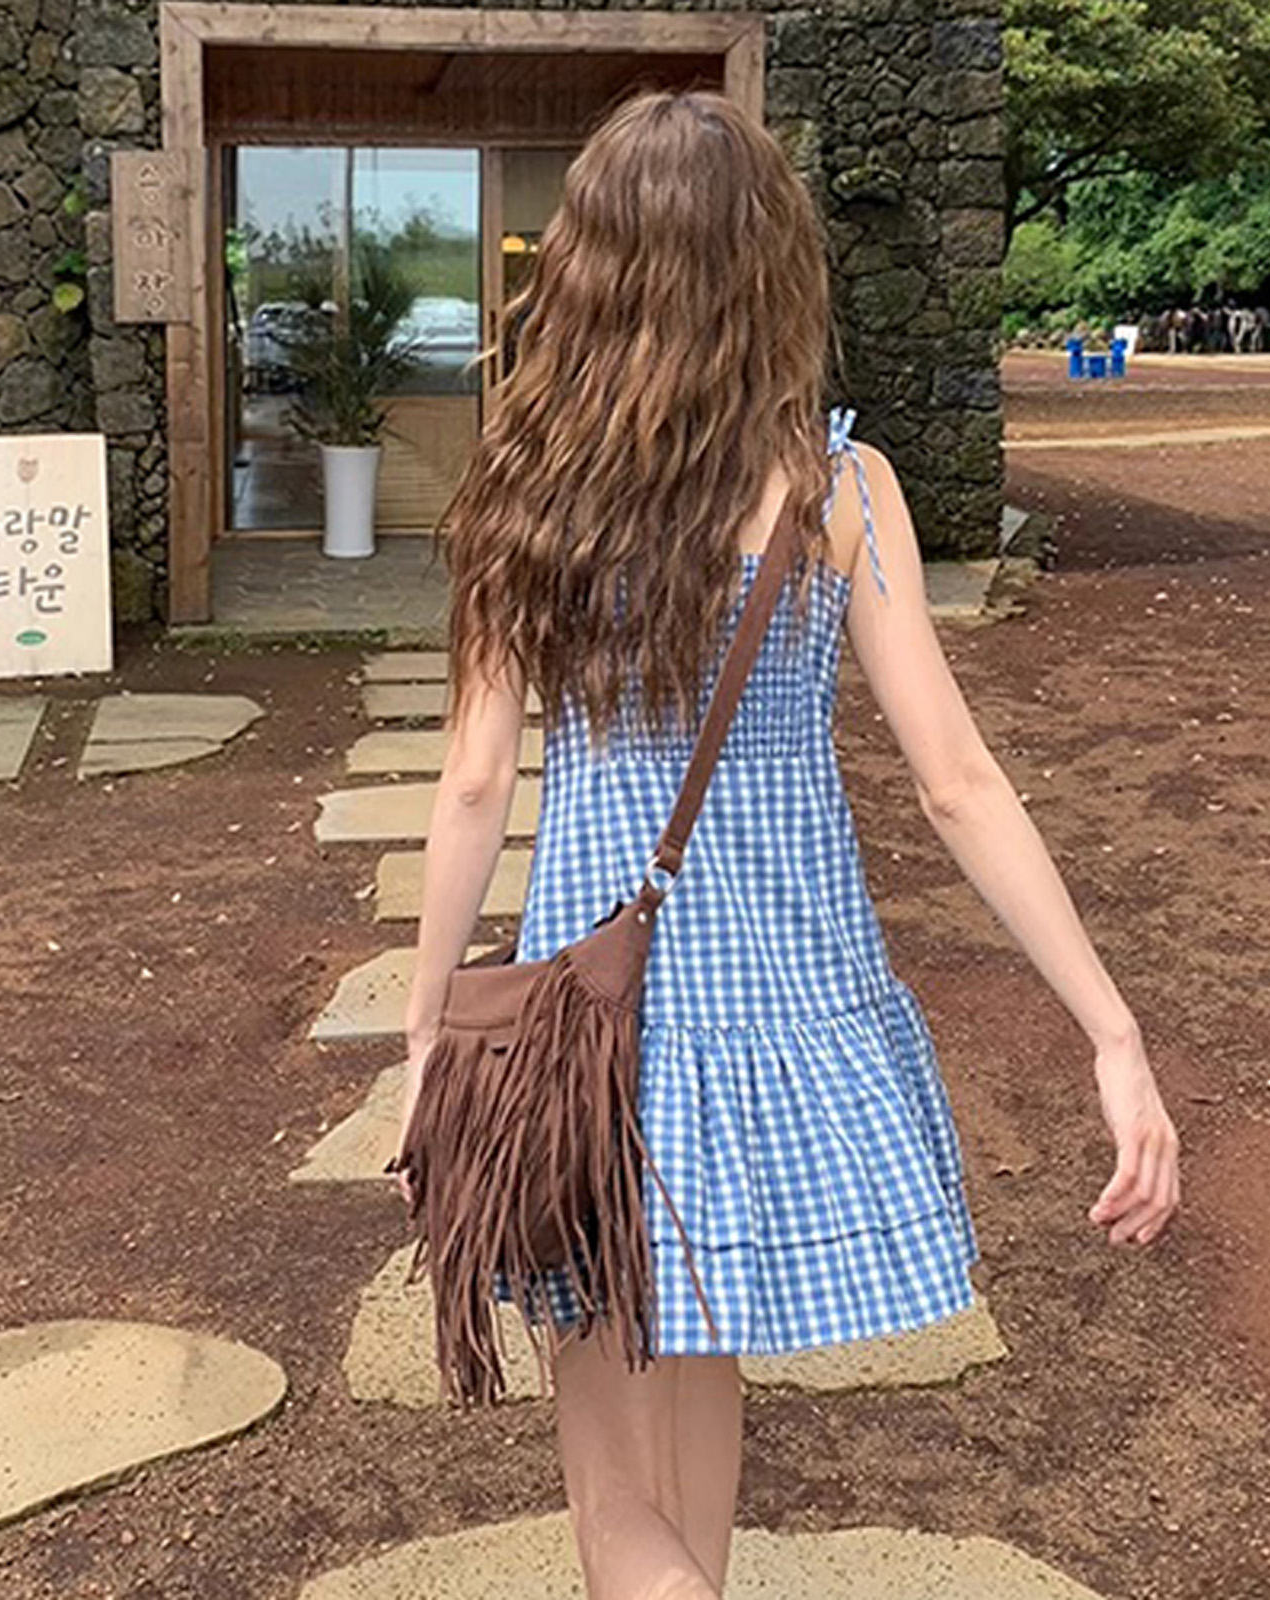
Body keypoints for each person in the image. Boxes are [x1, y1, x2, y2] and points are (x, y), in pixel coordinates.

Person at [396, 89, 1180, 1600]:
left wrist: (429, 1028)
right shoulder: (840, 488)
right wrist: (1111, 1029)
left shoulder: (524, 490)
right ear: (773, 265)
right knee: (696, 1457)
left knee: (617, 1505)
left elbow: (476, 786)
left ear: (587, 266)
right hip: (787, 1023)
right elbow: (957, 785)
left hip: (598, 1047)